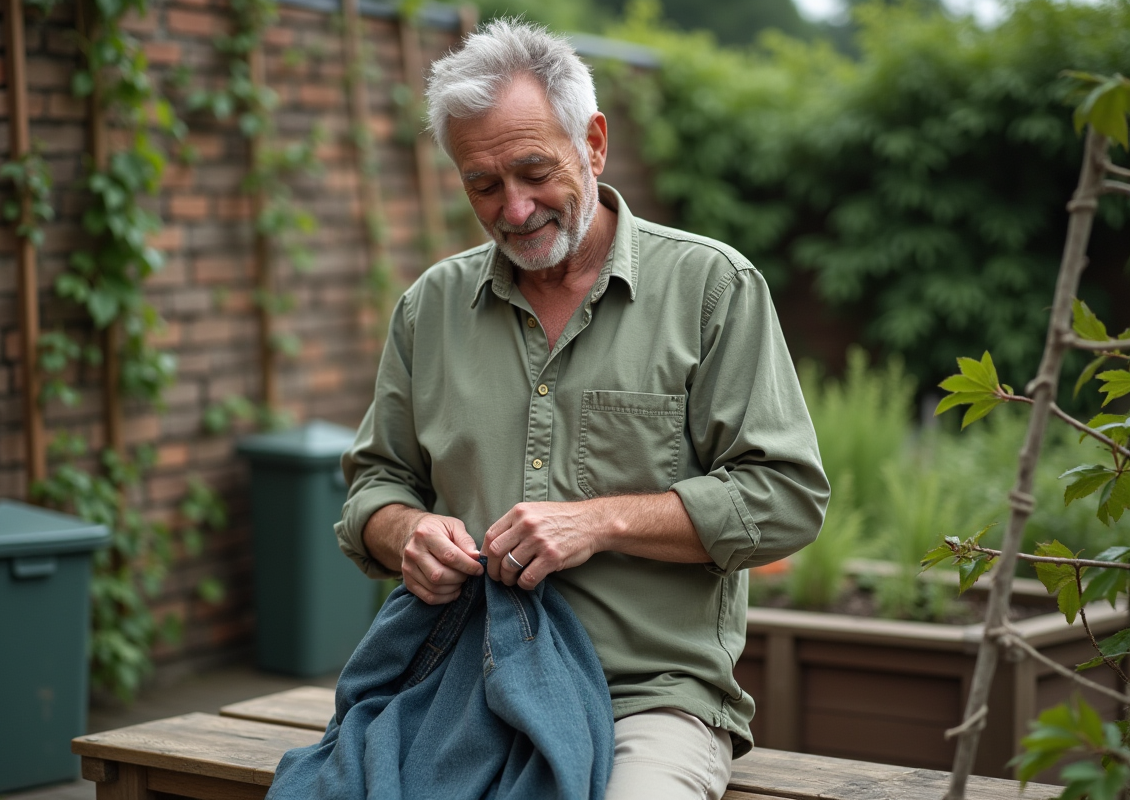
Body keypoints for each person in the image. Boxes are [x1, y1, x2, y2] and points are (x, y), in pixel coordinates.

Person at [334, 18, 829, 800]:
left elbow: (788, 500)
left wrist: (599, 521)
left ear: (593, 143)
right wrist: (406, 533)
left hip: (646, 696)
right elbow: (375, 487)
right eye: (483, 185)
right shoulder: (429, 308)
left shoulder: (712, 289)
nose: (515, 208)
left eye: (535, 171)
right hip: (462, 684)